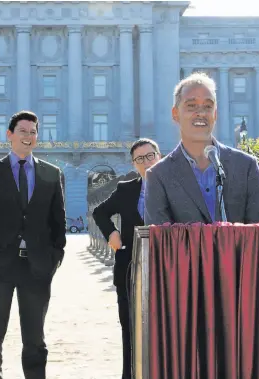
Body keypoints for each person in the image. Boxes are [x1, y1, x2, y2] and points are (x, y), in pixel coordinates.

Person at [0, 110, 66, 379]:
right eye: (22, 131)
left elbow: (58, 222)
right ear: (9, 135)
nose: (28, 136)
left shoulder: (51, 173)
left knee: (35, 337)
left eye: (33, 131)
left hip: (37, 267)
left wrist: (54, 258)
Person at [144, 72, 259, 225]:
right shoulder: (158, 175)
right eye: (191, 106)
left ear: (215, 114)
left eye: (208, 106)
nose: (201, 113)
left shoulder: (246, 166)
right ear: (175, 114)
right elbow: (159, 241)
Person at [92, 138, 161, 379]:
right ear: (133, 163)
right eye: (140, 158)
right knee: (130, 331)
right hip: (130, 268)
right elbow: (99, 212)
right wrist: (112, 233)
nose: (146, 162)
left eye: (150, 155)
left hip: (166, 270)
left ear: (159, 156)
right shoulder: (126, 189)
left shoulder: (174, 188)